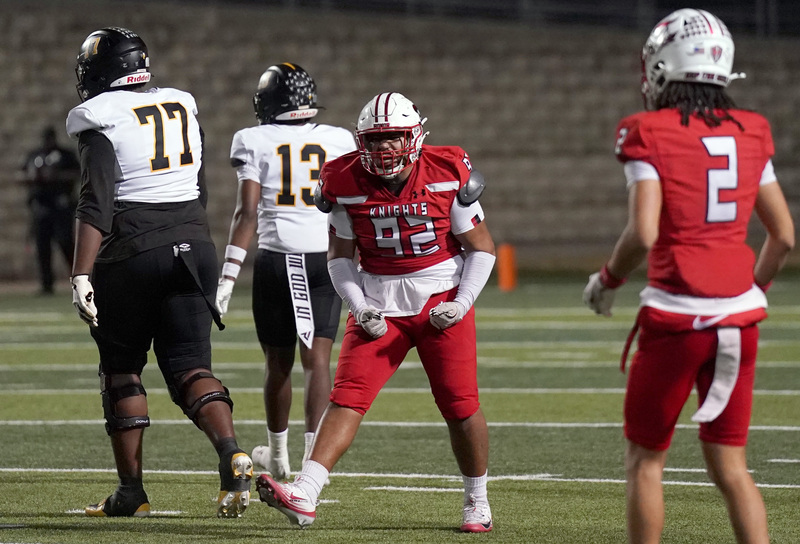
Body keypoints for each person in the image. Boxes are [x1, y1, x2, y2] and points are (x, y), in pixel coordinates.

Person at [583, 9, 794, 544]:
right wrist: (752, 290)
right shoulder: (752, 129)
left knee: (645, 462)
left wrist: (608, 280)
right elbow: (784, 237)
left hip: (677, 318)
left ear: (661, 66)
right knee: (732, 467)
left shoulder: (647, 130)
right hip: (740, 321)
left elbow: (643, 232)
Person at [255, 92, 497, 533]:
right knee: (347, 397)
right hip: (378, 301)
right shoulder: (343, 178)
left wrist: (461, 303)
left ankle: (476, 499)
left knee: (460, 405)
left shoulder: (446, 170)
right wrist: (360, 307)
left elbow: (481, 249)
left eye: (393, 137)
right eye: (374, 138)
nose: (384, 146)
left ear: (414, 136)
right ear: (360, 140)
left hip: (441, 296)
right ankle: (305, 493)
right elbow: (339, 259)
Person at [66, 27, 252, 518]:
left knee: (122, 370)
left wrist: (81, 273)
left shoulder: (98, 114)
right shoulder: (182, 103)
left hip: (131, 251)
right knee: (192, 367)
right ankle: (231, 451)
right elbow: (198, 187)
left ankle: (131, 492)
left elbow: (95, 202)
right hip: (194, 246)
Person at [215, 63, 356, 481]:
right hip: (327, 259)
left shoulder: (253, 139)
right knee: (318, 362)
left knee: (278, 363)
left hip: (280, 259)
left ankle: (280, 457)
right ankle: (312, 464)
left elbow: (246, 214)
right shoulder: (339, 139)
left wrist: (227, 279)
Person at [19, 125, 80, 294]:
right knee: (42, 246)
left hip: (61, 205)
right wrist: (35, 178)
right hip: (41, 206)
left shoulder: (65, 155)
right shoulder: (35, 156)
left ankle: (78, 279)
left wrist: (56, 176)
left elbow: (77, 173)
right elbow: (22, 174)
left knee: (65, 242)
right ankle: (47, 284)